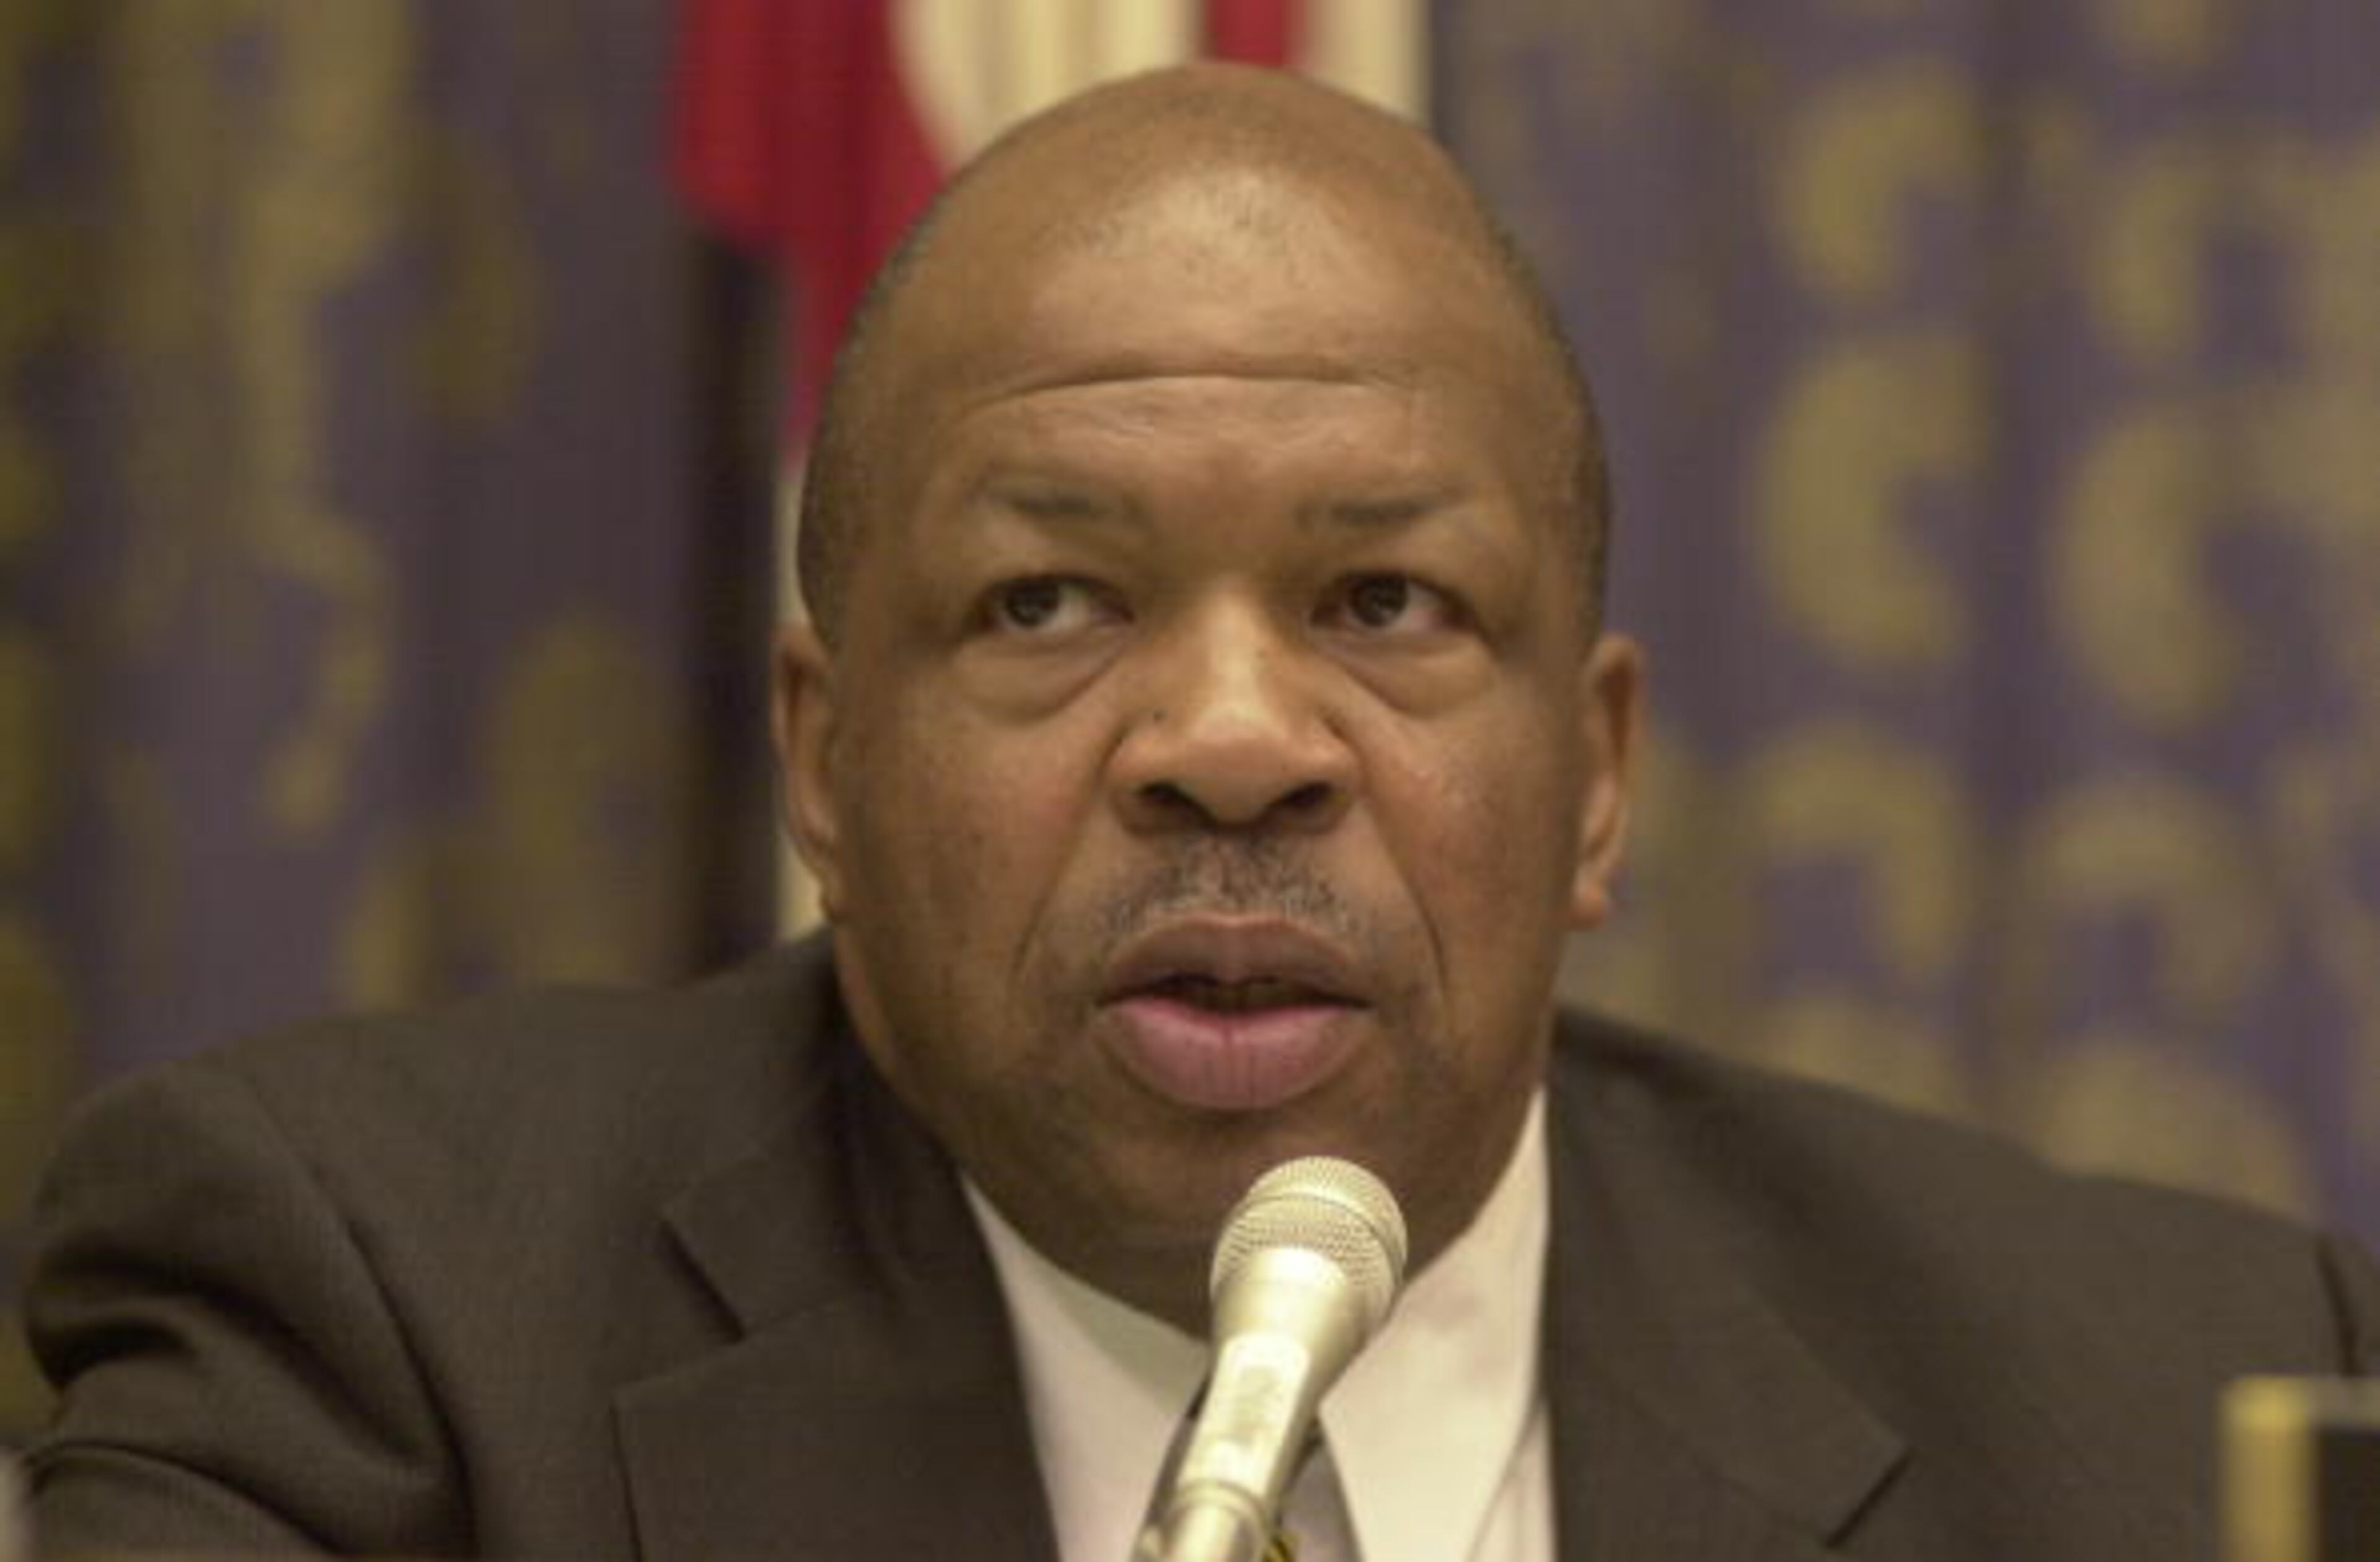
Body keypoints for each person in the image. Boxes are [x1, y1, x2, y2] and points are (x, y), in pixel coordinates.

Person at [19, 64, 2378, 1562]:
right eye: (1047, 599)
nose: (1234, 738)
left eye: (1387, 597)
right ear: (829, 763)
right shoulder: (378, 1330)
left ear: (1598, 779)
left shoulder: (2163, 1406)